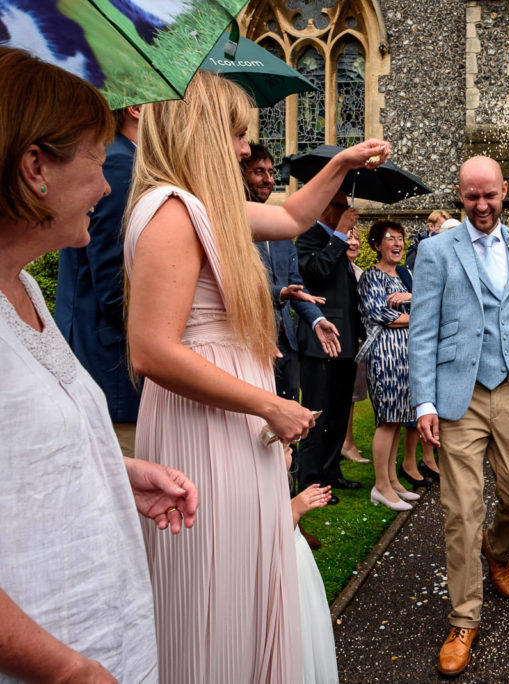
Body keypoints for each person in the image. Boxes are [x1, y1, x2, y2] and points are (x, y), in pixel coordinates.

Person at [124, 70, 388, 681]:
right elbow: (152, 351)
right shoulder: (169, 211)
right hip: (205, 427)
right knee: (215, 589)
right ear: (199, 131)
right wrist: (266, 405)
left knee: (248, 579)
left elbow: (295, 217)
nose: (248, 150)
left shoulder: (206, 206)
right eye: (238, 134)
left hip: (230, 419)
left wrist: (343, 161)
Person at [0, 46, 197, 682]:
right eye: (94, 159)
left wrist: (115, 470)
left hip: (104, 637)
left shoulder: (24, 289)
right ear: (35, 167)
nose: (109, 184)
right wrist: (65, 670)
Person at [409, 156, 509, 676]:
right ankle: (464, 618)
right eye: (472, 196)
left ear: (503, 190)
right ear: (460, 194)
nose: (482, 205)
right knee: (461, 510)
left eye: (490, 195)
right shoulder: (434, 250)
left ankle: (499, 549)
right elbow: (422, 329)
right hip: (459, 393)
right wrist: (424, 402)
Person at [54, 105, 142, 456]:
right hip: (112, 364)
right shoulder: (120, 164)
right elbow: (113, 284)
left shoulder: (125, 158)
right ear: (136, 109)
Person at [242, 143, 341, 401]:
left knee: (291, 425)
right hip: (250, 341)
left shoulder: (279, 227)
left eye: (272, 172)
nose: (269, 179)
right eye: (259, 172)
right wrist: (281, 293)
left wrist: (317, 320)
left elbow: (295, 283)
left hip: (287, 342)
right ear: (241, 175)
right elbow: (238, 285)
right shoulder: (233, 224)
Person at [295, 188, 365, 497]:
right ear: (325, 208)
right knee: (316, 413)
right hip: (319, 341)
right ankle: (311, 479)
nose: (347, 211)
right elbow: (314, 272)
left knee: (338, 413)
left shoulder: (341, 243)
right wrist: (337, 235)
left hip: (346, 341)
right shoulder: (309, 235)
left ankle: (330, 470)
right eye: (340, 206)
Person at [356, 220, 420, 510]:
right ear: (377, 245)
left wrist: (414, 301)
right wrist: (421, 313)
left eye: (400, 238)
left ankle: (392, 480)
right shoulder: (371, 276)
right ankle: (380, 486)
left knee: (398, 419)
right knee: (387, 420)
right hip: (385, 355)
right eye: (390, 238)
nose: (397, 244)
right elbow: (382, 315)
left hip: (406, 354)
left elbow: (427, 302)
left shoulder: (404, 277)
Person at [285, 450, 337, 684]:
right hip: (287, 574)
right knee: (296, 638)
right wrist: (293, 511)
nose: (292, 452)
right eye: (286, 448)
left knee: (310, 634)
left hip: (299, 564)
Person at [342, 231, 371, 464]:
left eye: (357, 239)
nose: (353, 242)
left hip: (358, 340)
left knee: (351, 396)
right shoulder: (338, 271)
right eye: (348, 237)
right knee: (344, 395)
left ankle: (347, 442)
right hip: (341, 340)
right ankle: (345, 443)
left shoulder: (360, 272)